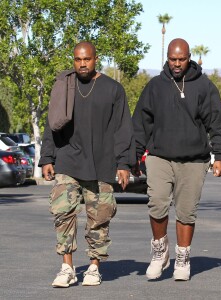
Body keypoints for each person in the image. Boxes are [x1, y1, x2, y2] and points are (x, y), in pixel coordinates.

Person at [39, 41, 135, 288]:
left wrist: (123, 163)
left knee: (99, 218)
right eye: (78, 60)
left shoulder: (113, 89)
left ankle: (94, 267)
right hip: (67, 160)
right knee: (63, 214)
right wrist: (47, 157)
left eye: (87, 59)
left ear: (96, 59)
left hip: (101, 162)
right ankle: (67, 267)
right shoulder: (64, 85)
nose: (82, 64)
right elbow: (52, 123)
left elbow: (123, 129)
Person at [132, 38, 221, 281]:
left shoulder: (204, 86)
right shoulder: (155, 86)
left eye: (181, 59)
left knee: (186, 211)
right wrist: (133, 156)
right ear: (167, 58)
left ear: (189, 57)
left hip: (194, 160)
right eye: (173, 59)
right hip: (159, 157)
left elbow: (215, 123)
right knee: (157, 203)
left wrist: (219, 156)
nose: (176, 64)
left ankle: (182, 258)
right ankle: (159, 252)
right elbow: (141, 123)